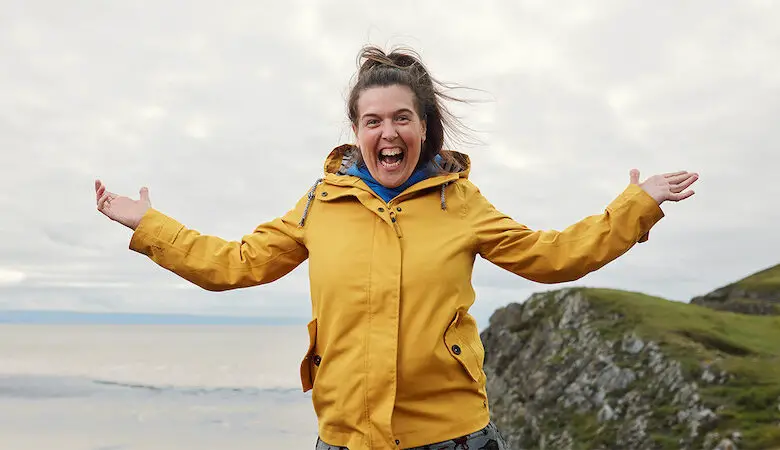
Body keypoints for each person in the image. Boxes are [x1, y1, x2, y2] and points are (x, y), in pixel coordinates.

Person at [94, 45, 699, 450]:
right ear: (356, 132)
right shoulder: (319, 203)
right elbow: (236, 264)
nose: (389, 132)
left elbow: (551, 256)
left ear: (425, 127)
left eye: (402, 118)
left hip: (452, 435)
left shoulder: (461, 202)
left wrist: (636, 206)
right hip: (347, 436)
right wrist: (151, 226)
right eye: (373, 121)